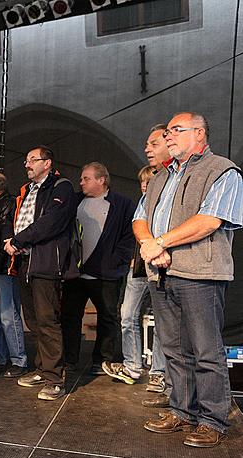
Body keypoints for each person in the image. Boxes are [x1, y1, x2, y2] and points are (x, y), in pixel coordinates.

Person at [135, 112, 242, 448]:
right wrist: (150, 246)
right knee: (175, 350)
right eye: (166, 131)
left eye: (175, 130)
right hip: (161, 273)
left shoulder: (222, 171)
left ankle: (213, 420)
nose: (168, 136)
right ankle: (183, 412)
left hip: (200, 274)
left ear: (199, 133)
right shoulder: (160, 176)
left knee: (206, 351)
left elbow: (209, 220)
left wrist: (161, 243)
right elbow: (140, 218)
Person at [104, 125, 172, 409]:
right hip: (139, 267)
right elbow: (138, 228)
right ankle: (132, 366)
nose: (146, 186)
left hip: (161, 267)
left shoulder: (168, 192)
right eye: (143, 183)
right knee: (127, 315)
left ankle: (157, 373)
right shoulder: (143, 202)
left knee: (161, 321)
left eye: (150, 182)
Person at [5, 146, 76, 401]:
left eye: (32, 160)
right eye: (26, 160)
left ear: (47, 163)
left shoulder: (61, 187)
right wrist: (11, 239)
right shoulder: (28, 190)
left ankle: (55, 379)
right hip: (24, 261)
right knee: (33, 320)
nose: (27, 165)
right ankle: (42, 368)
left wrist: (18, 239)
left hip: (45, 262)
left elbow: (51, 222)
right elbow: (20, 218)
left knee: (48, 321)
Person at [61, 162, 135, 375]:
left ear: (101, 180)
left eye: (86, 178)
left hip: (106, 273)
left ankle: (102, 360)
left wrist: (116, 260)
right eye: (82, 179)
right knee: (70, 316)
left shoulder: (122, 204)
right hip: (75, 273)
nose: (81, 182)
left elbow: (129, 236)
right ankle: (70, 358)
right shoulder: (75, 201)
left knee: (108, 316)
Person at [0, 173, 27, 378]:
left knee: (8, 315)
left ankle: (19, 359)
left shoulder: (7, 207)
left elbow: (2, 244)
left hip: (5, 268)